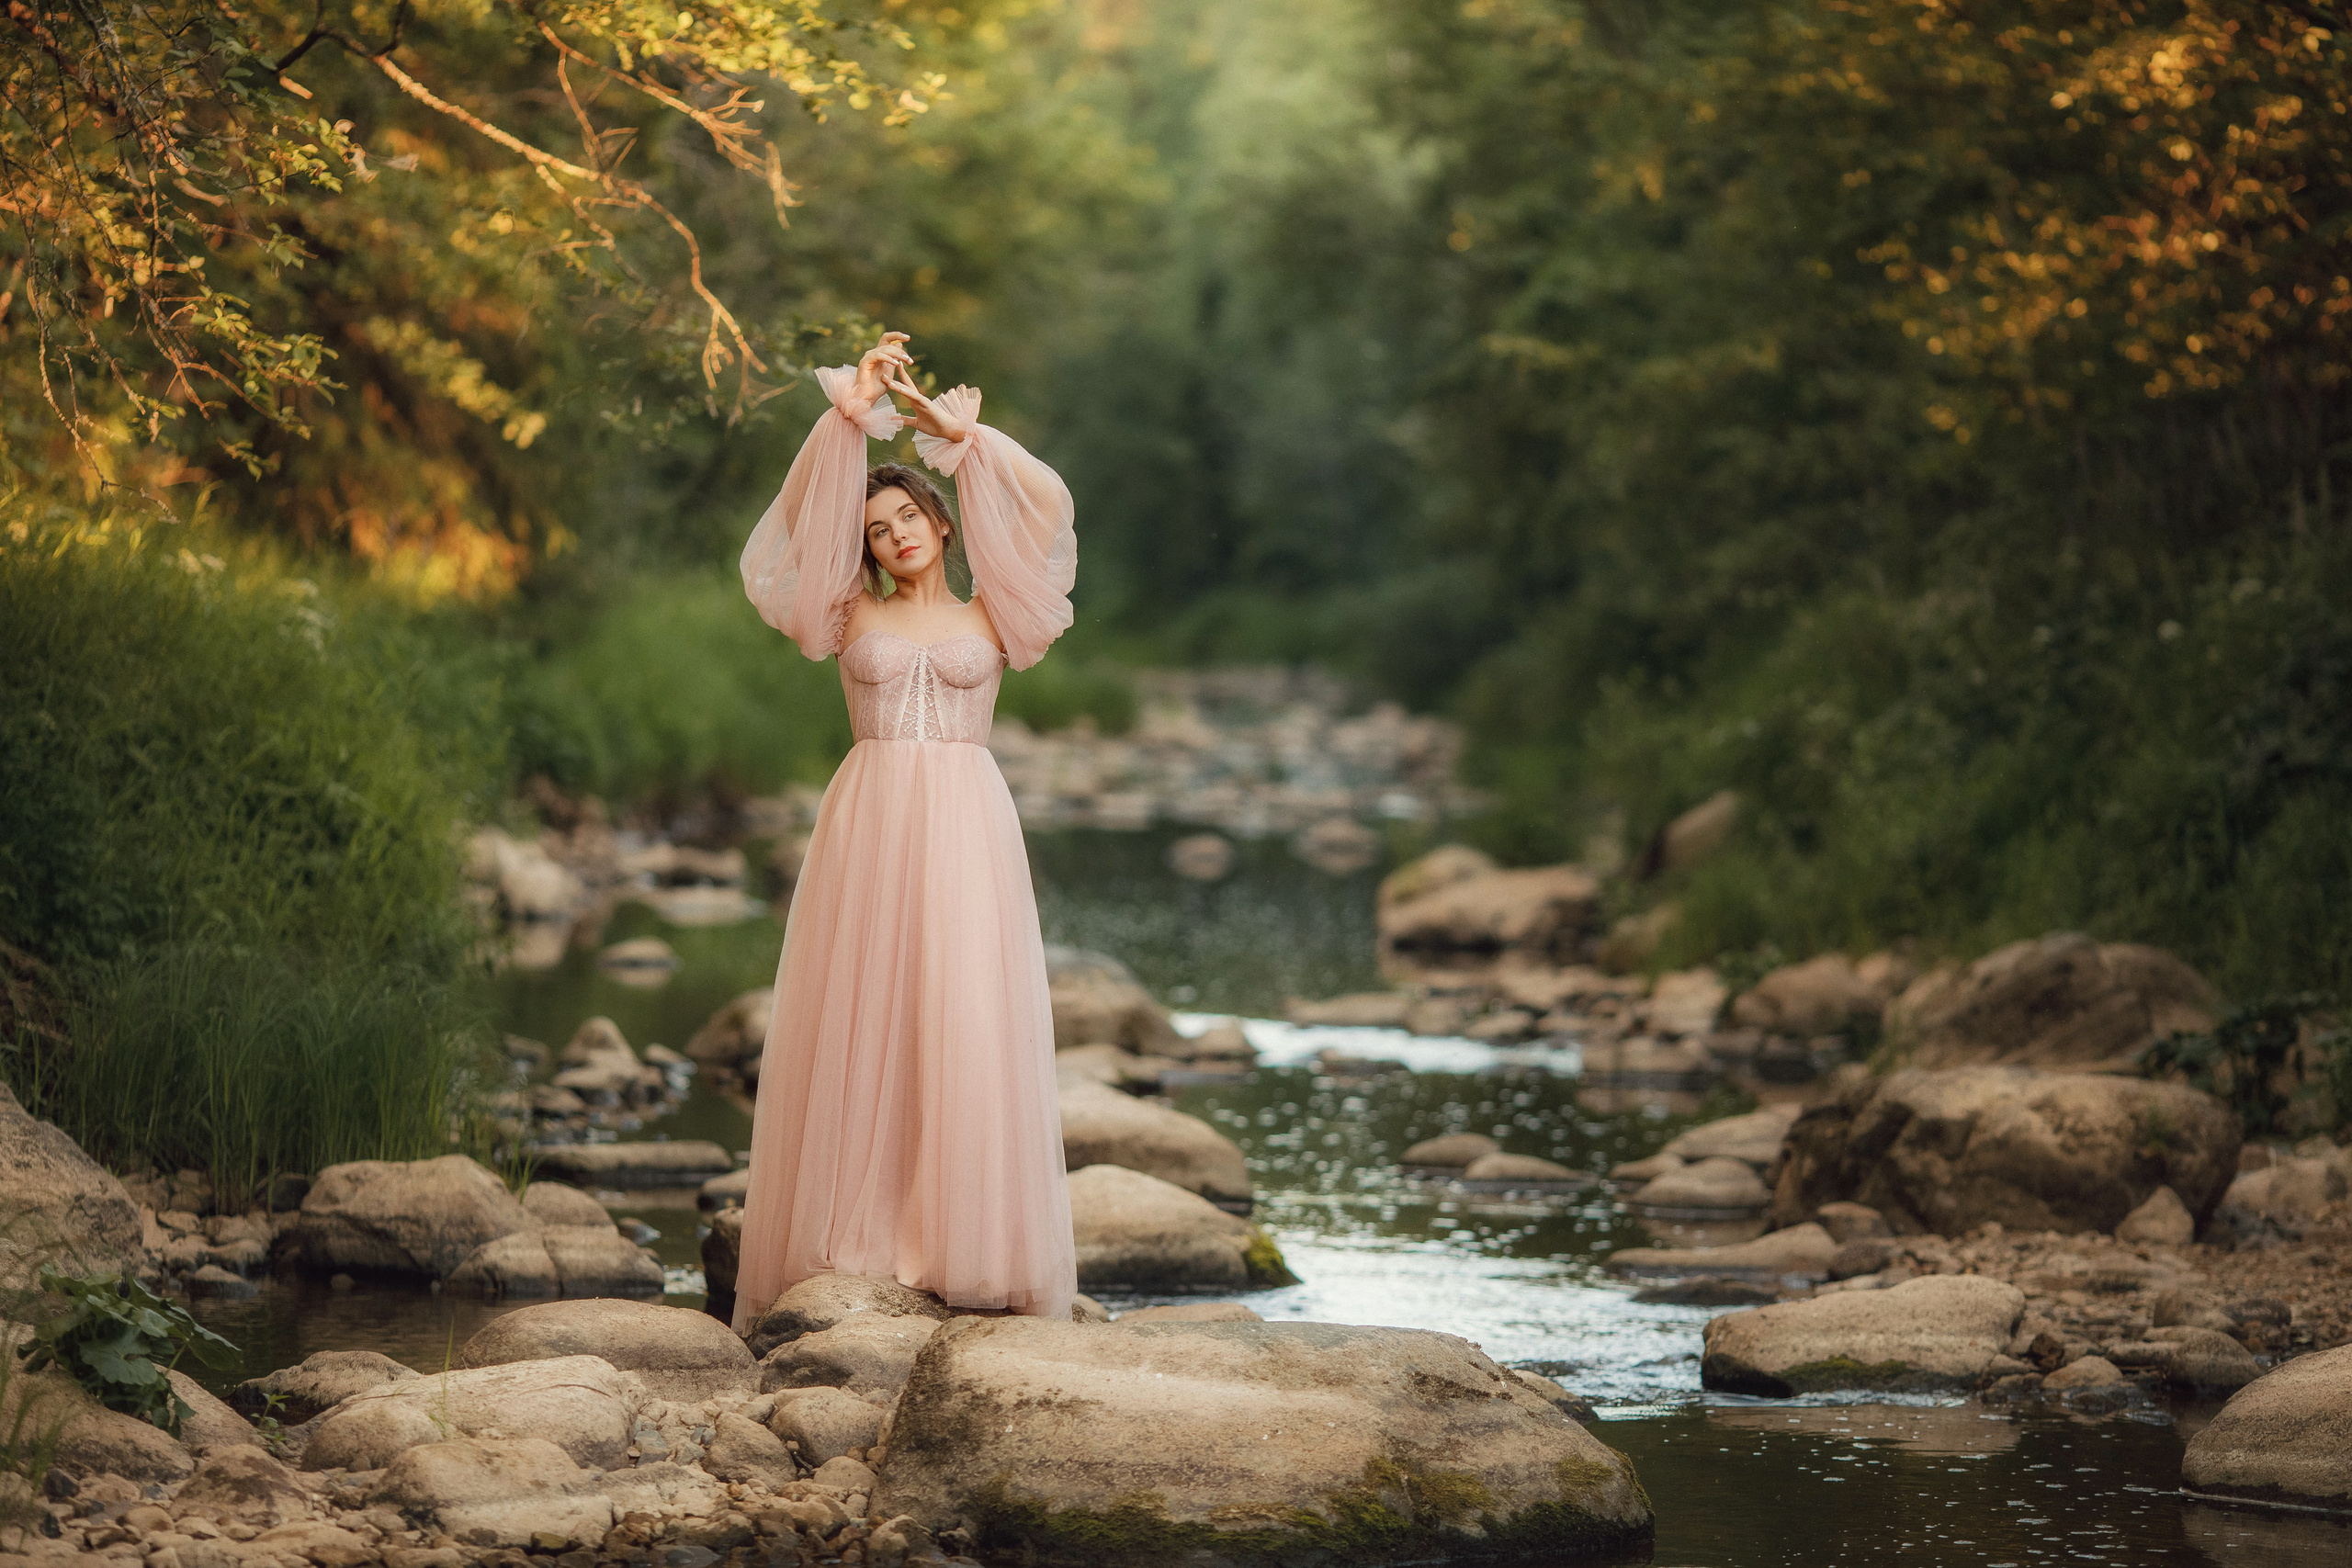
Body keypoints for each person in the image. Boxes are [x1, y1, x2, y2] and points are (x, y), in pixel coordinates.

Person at [729, 330, 1079, 1330]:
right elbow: (798, 518)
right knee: (861, 1016)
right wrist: (845, 422)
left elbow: (1048, 506)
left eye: (906, 517)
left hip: (967, 831)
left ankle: (962, 1244)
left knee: (960, 1017)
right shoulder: (843, 614)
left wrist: (967, 438)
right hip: (870, 827)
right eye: (876, 529)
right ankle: (857, 1242)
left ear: (939, 517)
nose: (894, 538)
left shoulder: (996, 613)